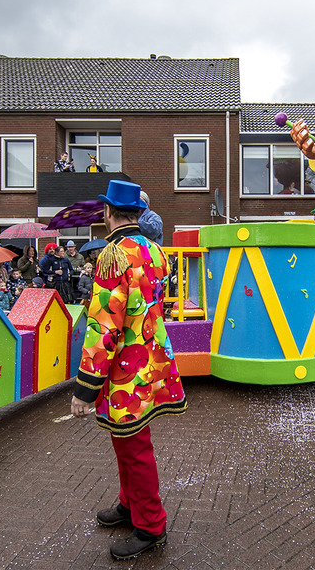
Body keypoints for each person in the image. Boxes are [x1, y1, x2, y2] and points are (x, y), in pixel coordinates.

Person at [70, 180, 185, 561]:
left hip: (124, 371)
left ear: (107, 213)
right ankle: (128, 503)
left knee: (134, 447)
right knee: (128, 440)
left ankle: (151, 525)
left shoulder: (112, 257)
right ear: (138, 212)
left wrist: (85, 387)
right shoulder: (154, 251)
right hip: (151, 362)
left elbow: (103, 326)